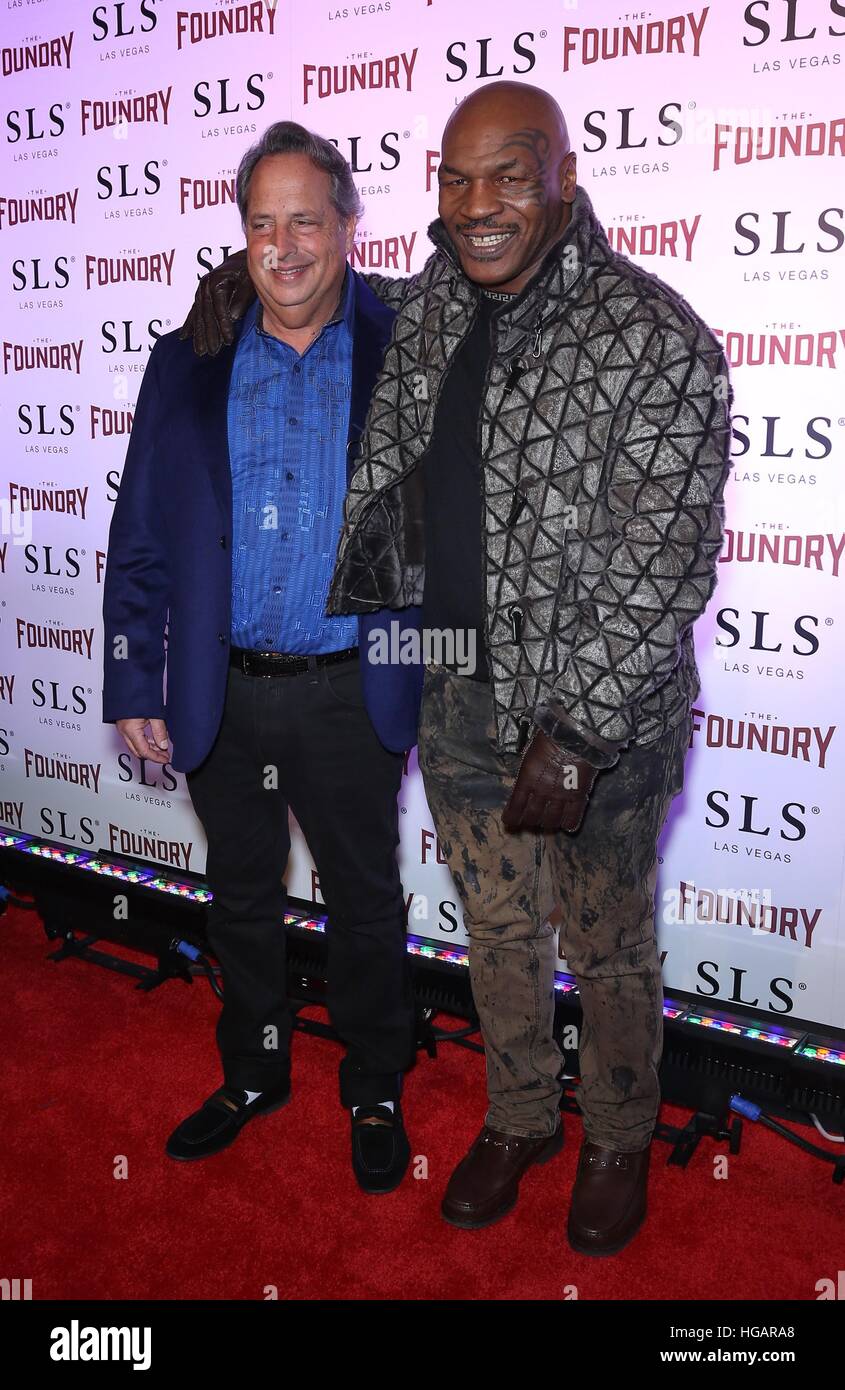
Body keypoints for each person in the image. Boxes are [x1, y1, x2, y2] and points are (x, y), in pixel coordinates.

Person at [182, 81, 733, 1254]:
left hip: (598, 727)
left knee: (609, 941)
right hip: (457, 695)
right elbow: (325, 303)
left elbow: (659, 570)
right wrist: (236, 284)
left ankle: (620, 1135)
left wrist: (575, 741)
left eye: (507, 175)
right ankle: (521, 1113)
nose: (478, 204)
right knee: (494, 929)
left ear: (563, 180)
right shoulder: (430, 303)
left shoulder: (655, 337)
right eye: (455, 180)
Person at [102, 122, 421, 1194]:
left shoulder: (405, 342)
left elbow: (457, 530)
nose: (283, 246)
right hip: (220, 692)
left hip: (348, 693)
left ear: (346, 224)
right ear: (242, 234)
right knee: (239, 896)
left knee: (365, 903)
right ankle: (255, 1070)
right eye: (260, 223)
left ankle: (375, 1082)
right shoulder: (185, 360)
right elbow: (142, 530)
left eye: (305, 220)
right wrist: (129, 676)